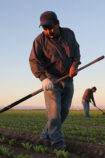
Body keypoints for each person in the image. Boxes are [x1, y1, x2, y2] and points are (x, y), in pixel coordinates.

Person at [29, 11, 81, 150]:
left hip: (68, 79)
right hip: (51, 79)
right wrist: (43, 78)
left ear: (57, 23)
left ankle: (45, 135)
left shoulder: (69, 34)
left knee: (63, 112)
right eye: (45, 28)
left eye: (50, 27)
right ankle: (58, 144)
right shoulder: (39, 41)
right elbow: (34, 61)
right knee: (54, 113)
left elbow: (76, 51)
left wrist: (74, 65)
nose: (48, 31)